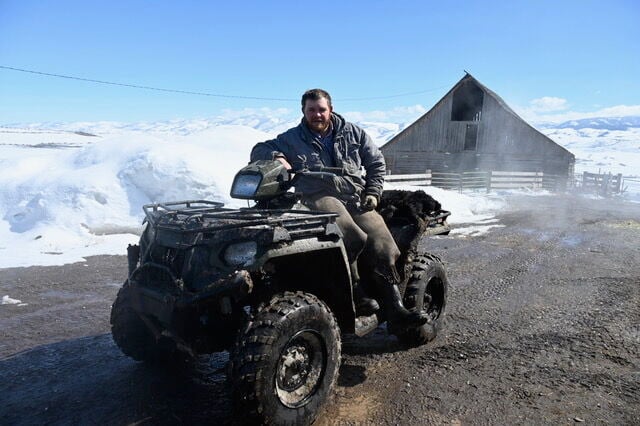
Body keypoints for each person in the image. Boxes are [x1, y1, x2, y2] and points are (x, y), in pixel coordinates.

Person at [250, 88, 428, 328]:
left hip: (355, 197)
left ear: (330, 109)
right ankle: (356, 293)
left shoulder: (353, 133)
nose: (317, 115)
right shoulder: (291, 138)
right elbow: (258, 149)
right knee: (350, 234)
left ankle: (395, 308)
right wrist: (276, 156)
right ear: (303, 111)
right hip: (317, 196)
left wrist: (374, 193)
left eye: (321, 109)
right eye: (311, 110)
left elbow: (376, 162)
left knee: (383, 243)